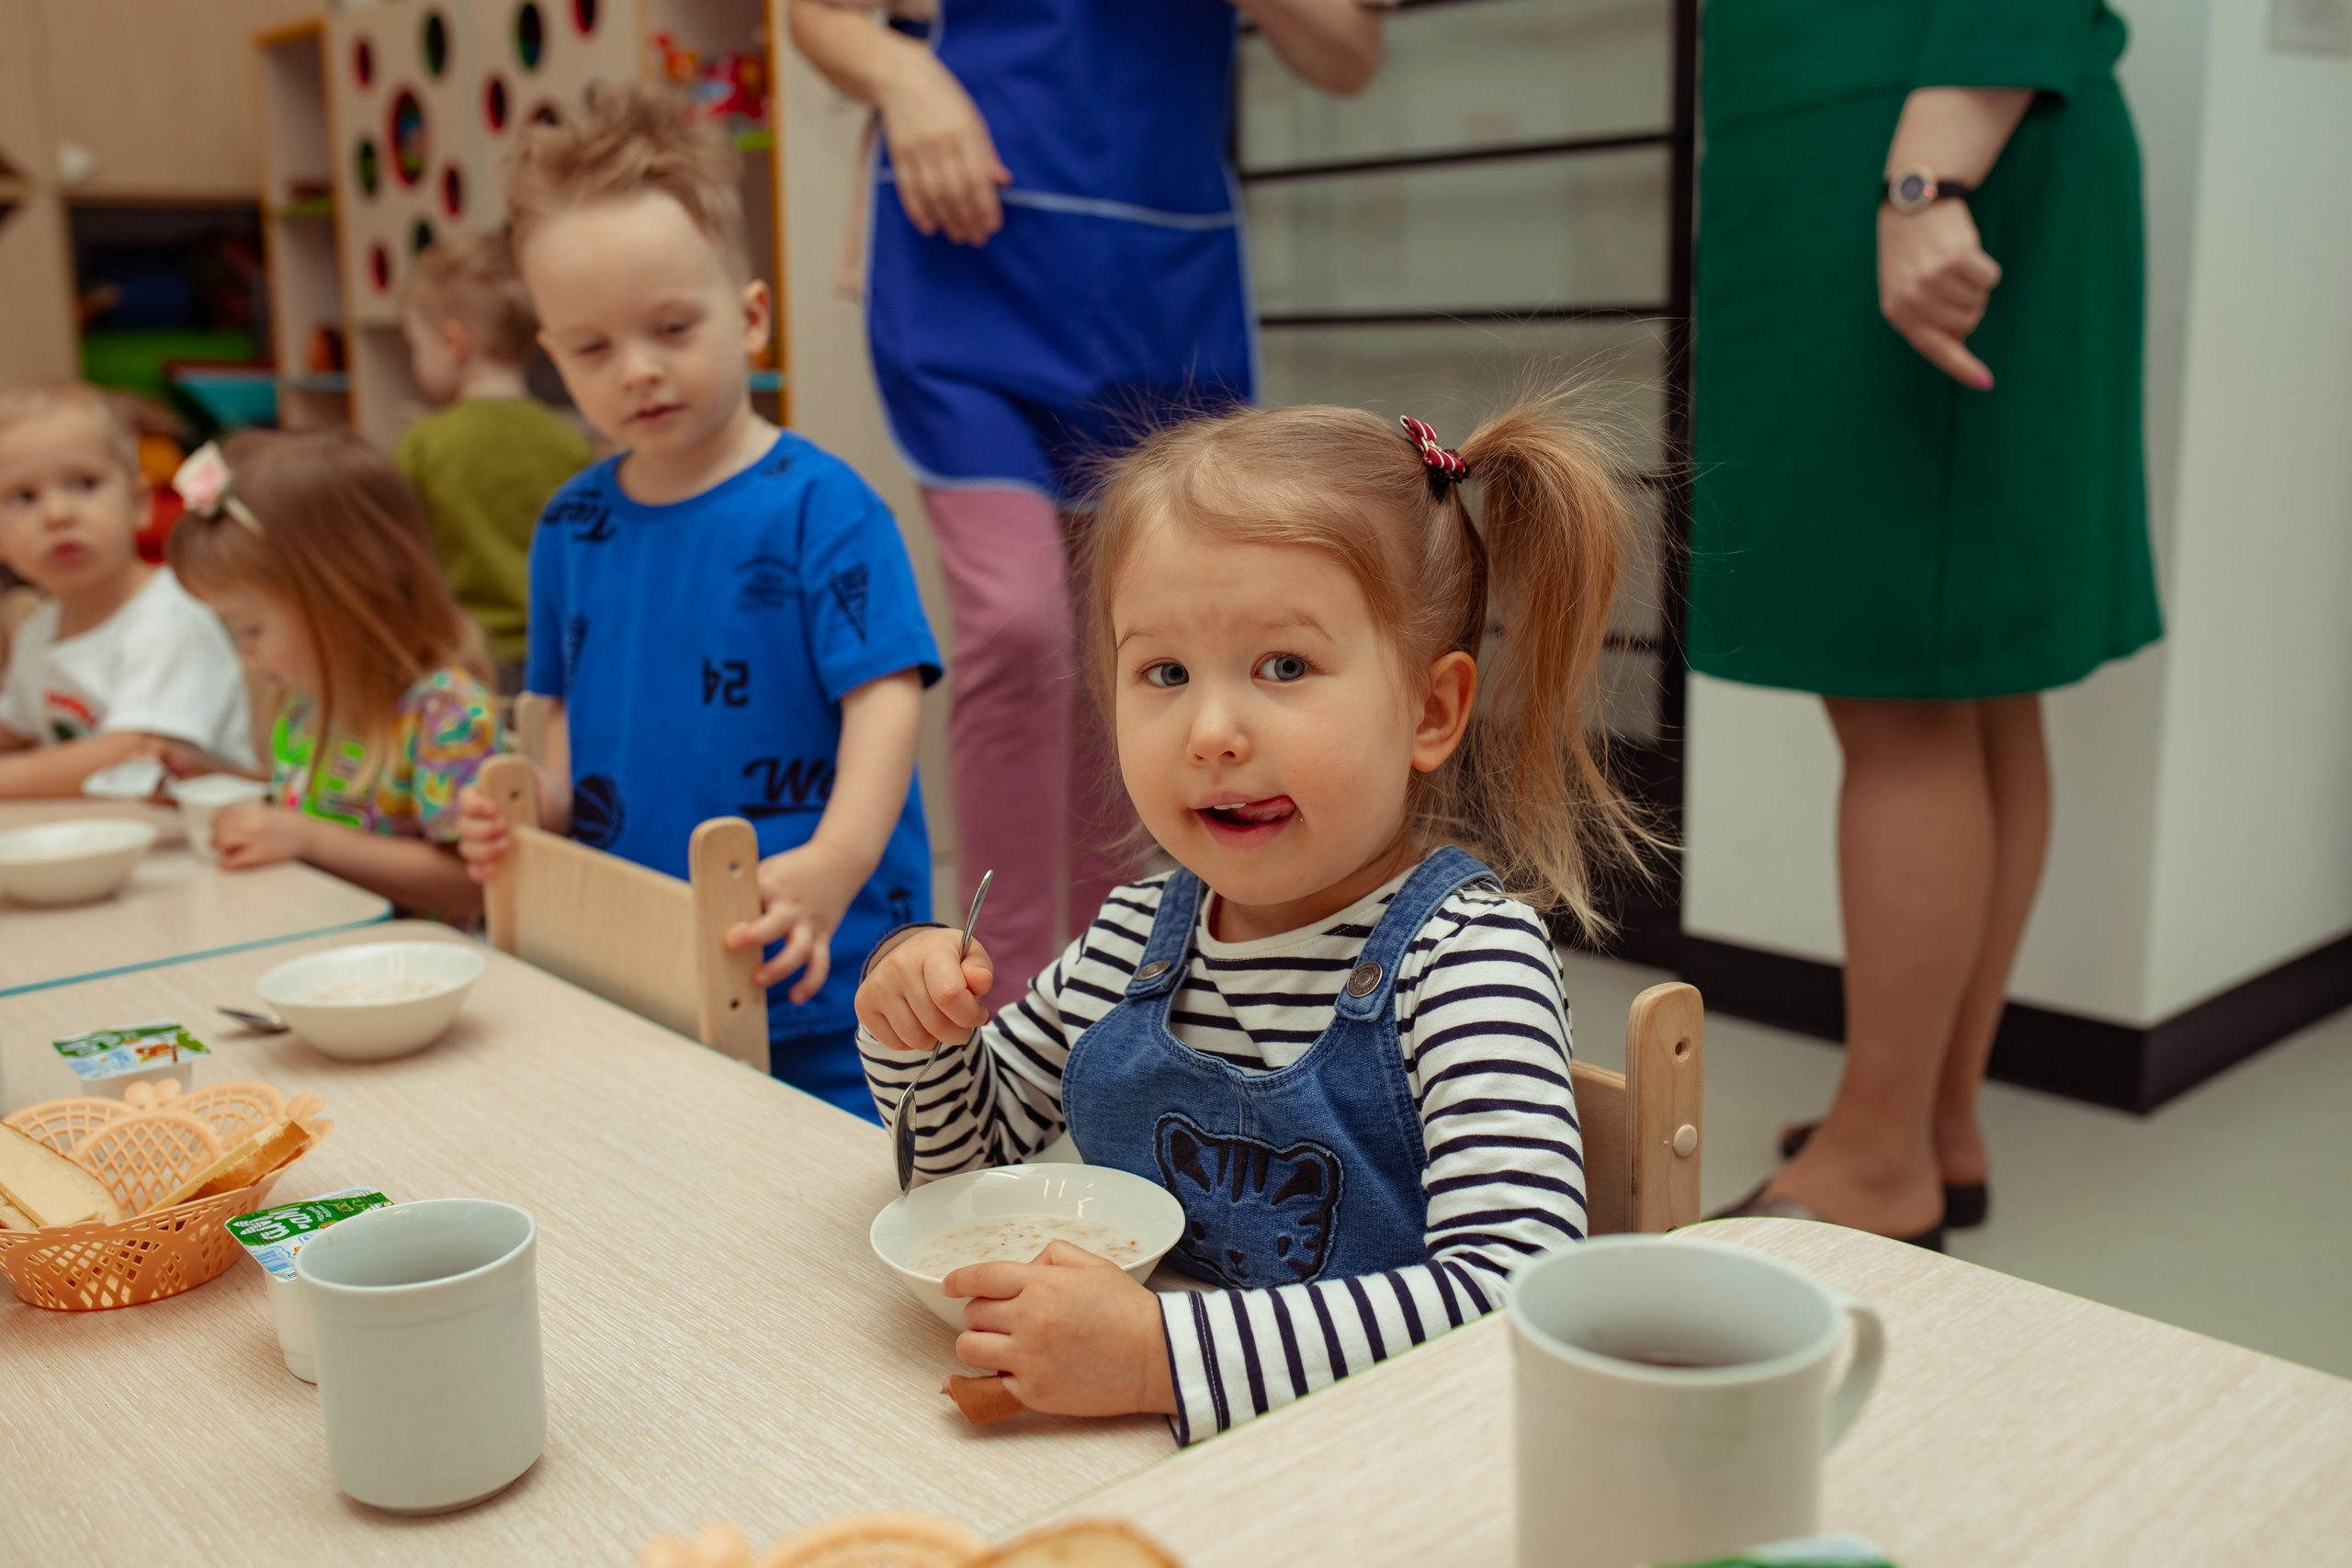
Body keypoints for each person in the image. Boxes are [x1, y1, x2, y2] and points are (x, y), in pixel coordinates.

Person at [855, 396, 1650, 1441]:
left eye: (1283, 667)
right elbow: (966, 1173)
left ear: (1430, 710)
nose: (1213, 731)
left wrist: (1157, 1356)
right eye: (1165, 674)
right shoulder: (1138, 935)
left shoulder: (1465, 963)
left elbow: (1516, 1298)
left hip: (1375, 1475)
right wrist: (915, 1032)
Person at [788, 0, 1390, 1007]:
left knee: (1133, 646)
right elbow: (820, 15)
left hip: (1157, 285)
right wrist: (904, 78)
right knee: (1020, 625)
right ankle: (1003, 996)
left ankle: (1108, 990)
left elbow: (1348, 52)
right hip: (965, 268)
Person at [1690, 2, 2162, 1244]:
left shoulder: (1920, 169)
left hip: (1917, 150)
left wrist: (1924, 176)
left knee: (1901, 674)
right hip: (1918, 135)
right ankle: (1931, 1115)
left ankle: (1879, 1154)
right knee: (1975, 668)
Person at [457, 85, 942, 1118]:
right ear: (552, 358)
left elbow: (886, 701)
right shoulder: (568, 528)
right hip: (642, 965)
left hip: (825, 966)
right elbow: (560, 735)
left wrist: (832, 863)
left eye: (672, 326)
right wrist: (527, 818)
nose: (637, 370)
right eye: (591, 349)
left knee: (842, 1215)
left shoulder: (823, 507)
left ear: (750, 316)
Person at [164, 432, 498, 922]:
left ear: (345, 598)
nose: (245, 652)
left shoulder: (444, 715)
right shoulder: (309, 698)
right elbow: (314, 803)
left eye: (250, 628)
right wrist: (216, 777)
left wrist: (311, 840)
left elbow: (470, 884)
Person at [0, 382, 253, 795]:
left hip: (198, 846)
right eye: (24, 496)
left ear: (138, 503)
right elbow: (13, 727)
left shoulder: (169, 618)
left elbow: (133, 754)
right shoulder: (41, 625)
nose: (58, 514)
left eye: (84, 484)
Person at [395, 231, 594, 694]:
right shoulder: (569, 442)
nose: (415, 360)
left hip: (461, 661)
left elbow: (399, 559)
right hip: (560, 656)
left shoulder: (423, 446)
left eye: (415, 345)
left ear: (452, 342)